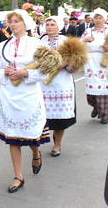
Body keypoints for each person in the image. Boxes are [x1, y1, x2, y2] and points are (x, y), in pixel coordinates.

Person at [0, 9, 49, 193]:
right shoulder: (3, 46)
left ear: (25, 23)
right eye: (11, 21)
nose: (13, 24)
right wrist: (5, 73)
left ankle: (36, 153)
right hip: (9, 94)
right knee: (12, 136)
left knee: (31, 133)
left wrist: (25, 73)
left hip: (29, 94)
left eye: (17, 21)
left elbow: (46, 69)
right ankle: (18, 175)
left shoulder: (36, 44)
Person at [39, 16, 76, 156]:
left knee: (60, 118)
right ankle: (38, 143)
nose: (49, 27)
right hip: (43, 82)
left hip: (61, 82)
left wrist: (65, 64)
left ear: (58, 26)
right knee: (43, 115)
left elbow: (75, 61)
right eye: (47, 24)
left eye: (52, 24)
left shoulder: (65, 41)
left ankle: (57, 145)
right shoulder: (40, 41)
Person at [81, 8, 108, 124]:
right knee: (92, 90)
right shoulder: (88, 31)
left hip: (105, 62)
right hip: (91, 63)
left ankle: (105, 114)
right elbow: (78, 46)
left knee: (104, 89)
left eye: (100, 17)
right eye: (96, 18)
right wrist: (85, 40)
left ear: (105, 19)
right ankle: (96, 106)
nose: (98, 20)